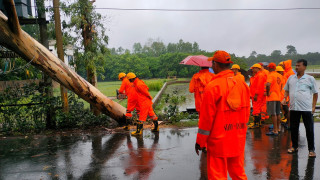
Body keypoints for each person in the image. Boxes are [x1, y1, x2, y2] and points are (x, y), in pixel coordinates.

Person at [195, 50, 250, 180]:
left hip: (218, 140)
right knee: (238, 173)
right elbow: (247, 112)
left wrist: (200, 142)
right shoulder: (242, 84)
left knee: (217, 175)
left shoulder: (213, 86)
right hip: (238, 137)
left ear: (215, 64)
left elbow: (206, 119)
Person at [283, 59, 318, 158]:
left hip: (306, 108)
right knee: (293, 128)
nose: (296, 67)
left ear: (304, 67)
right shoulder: (291, 78)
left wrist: (314, 106)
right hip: (294, 107)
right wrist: (284, 98)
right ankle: (294, 146)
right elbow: (286, 90)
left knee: (309, 129)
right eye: (296, 65)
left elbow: (315, 93)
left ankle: (311, 150)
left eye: (299, 65)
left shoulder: (310, 79)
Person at [265, 63, 282, 136]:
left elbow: (268, 84)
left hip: (272, 97)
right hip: (278, 96)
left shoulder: (270, 75)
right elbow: (281, 86)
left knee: (273, 114)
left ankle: (275, 130)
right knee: (278, 113)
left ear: (269, 68)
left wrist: (268, 92)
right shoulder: (280, 75)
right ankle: (278, 128)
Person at [249, 63, 267, 128]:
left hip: (258, 95)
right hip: (256, 95)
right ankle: (257, 123)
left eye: (253, 68)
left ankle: (256, 124)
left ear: (257, 68)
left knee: (256, 109)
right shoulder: (258, 75)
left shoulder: (260, 75)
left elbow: (259, 86)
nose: (252, 69)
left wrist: (256, 94)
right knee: (257, 109)